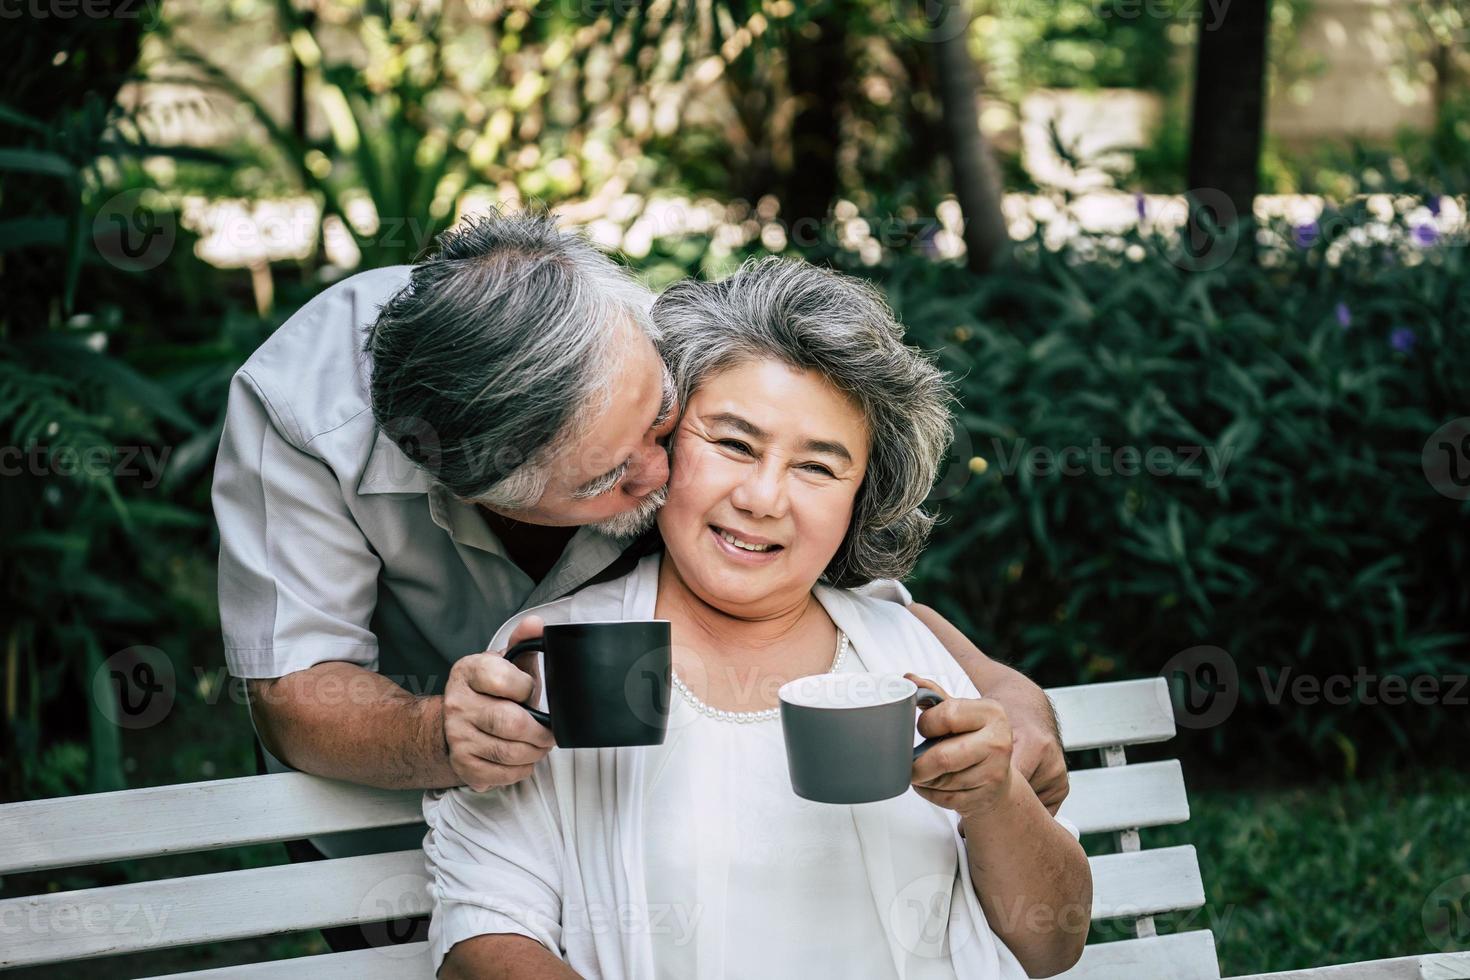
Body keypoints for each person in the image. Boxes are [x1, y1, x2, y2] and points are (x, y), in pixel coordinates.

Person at [212, 209, 1068, 949]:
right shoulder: (307, 415)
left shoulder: (632, 340)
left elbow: (823, 591)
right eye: (605, 480)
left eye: (664, 423)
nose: (666, 477)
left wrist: (1002, 685)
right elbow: (293, 690)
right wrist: (445, 734)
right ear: (487, 498)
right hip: (392, 801)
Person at [423, 258, 1092, 979]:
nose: (764, 498)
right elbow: (485, 936)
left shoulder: (904, 648)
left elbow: (1053, 946)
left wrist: (997, 798)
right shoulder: (563, 659)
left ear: (861, 497)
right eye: (734, 444)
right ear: (666, 443)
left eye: (817, 467)